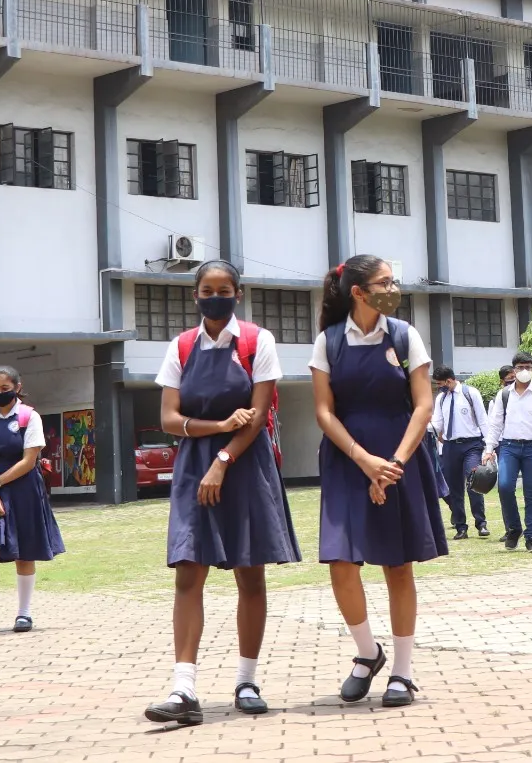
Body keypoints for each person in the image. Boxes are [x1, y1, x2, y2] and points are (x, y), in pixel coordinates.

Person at [145, 260, 300, 727]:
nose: (216, 296)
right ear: (196, 295)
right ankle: (183, 687)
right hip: (194, 468)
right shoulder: (182, 346)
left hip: (245, 465)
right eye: (207, 289)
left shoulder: (257, 341)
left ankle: (247, 681)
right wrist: (213, 430)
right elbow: (170, 417)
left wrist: (223, 458)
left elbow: (256, 416)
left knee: (250, 576)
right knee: (188, 572)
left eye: (224, 289)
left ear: (238, 292)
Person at [311, 255, 444, 708]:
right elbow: (324, 412)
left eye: (393, 281)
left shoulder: (406, 335)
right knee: (341, 561)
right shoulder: (328, 342)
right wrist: (365, 461)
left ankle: (403, 673)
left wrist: (393, 463)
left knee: (397, 564)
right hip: (347, 459)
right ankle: (368, 654)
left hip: (400, 454)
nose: (393, 288)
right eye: (385, 282)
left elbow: (423, 406)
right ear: (359, 292)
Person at [0, 365, 65, 638]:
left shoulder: (29, 417)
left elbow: (28, 460)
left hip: (23, 490)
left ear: (18, 388)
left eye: (4, 389)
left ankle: (24, 613)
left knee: (24, 550)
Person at [482, 351, 532, 553]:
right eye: (520, 367)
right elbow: (495, 424)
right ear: (514, 370)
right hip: (509, 447)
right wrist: (489, 449)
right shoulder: (504, 395)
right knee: (504, 487)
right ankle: (514, 528)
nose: (524, 371)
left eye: (528, 367)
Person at [431, 366, 489, 539]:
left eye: (440, 383)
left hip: (471, 445)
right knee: (453, 488)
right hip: (450, 446)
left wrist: (489, 446)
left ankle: (481, 523)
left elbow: (483, 420)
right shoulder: (441, 398)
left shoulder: (470, 393)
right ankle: (460, 527)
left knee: (474, 482)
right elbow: (437, 423)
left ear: (449, 380)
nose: (439, 387)